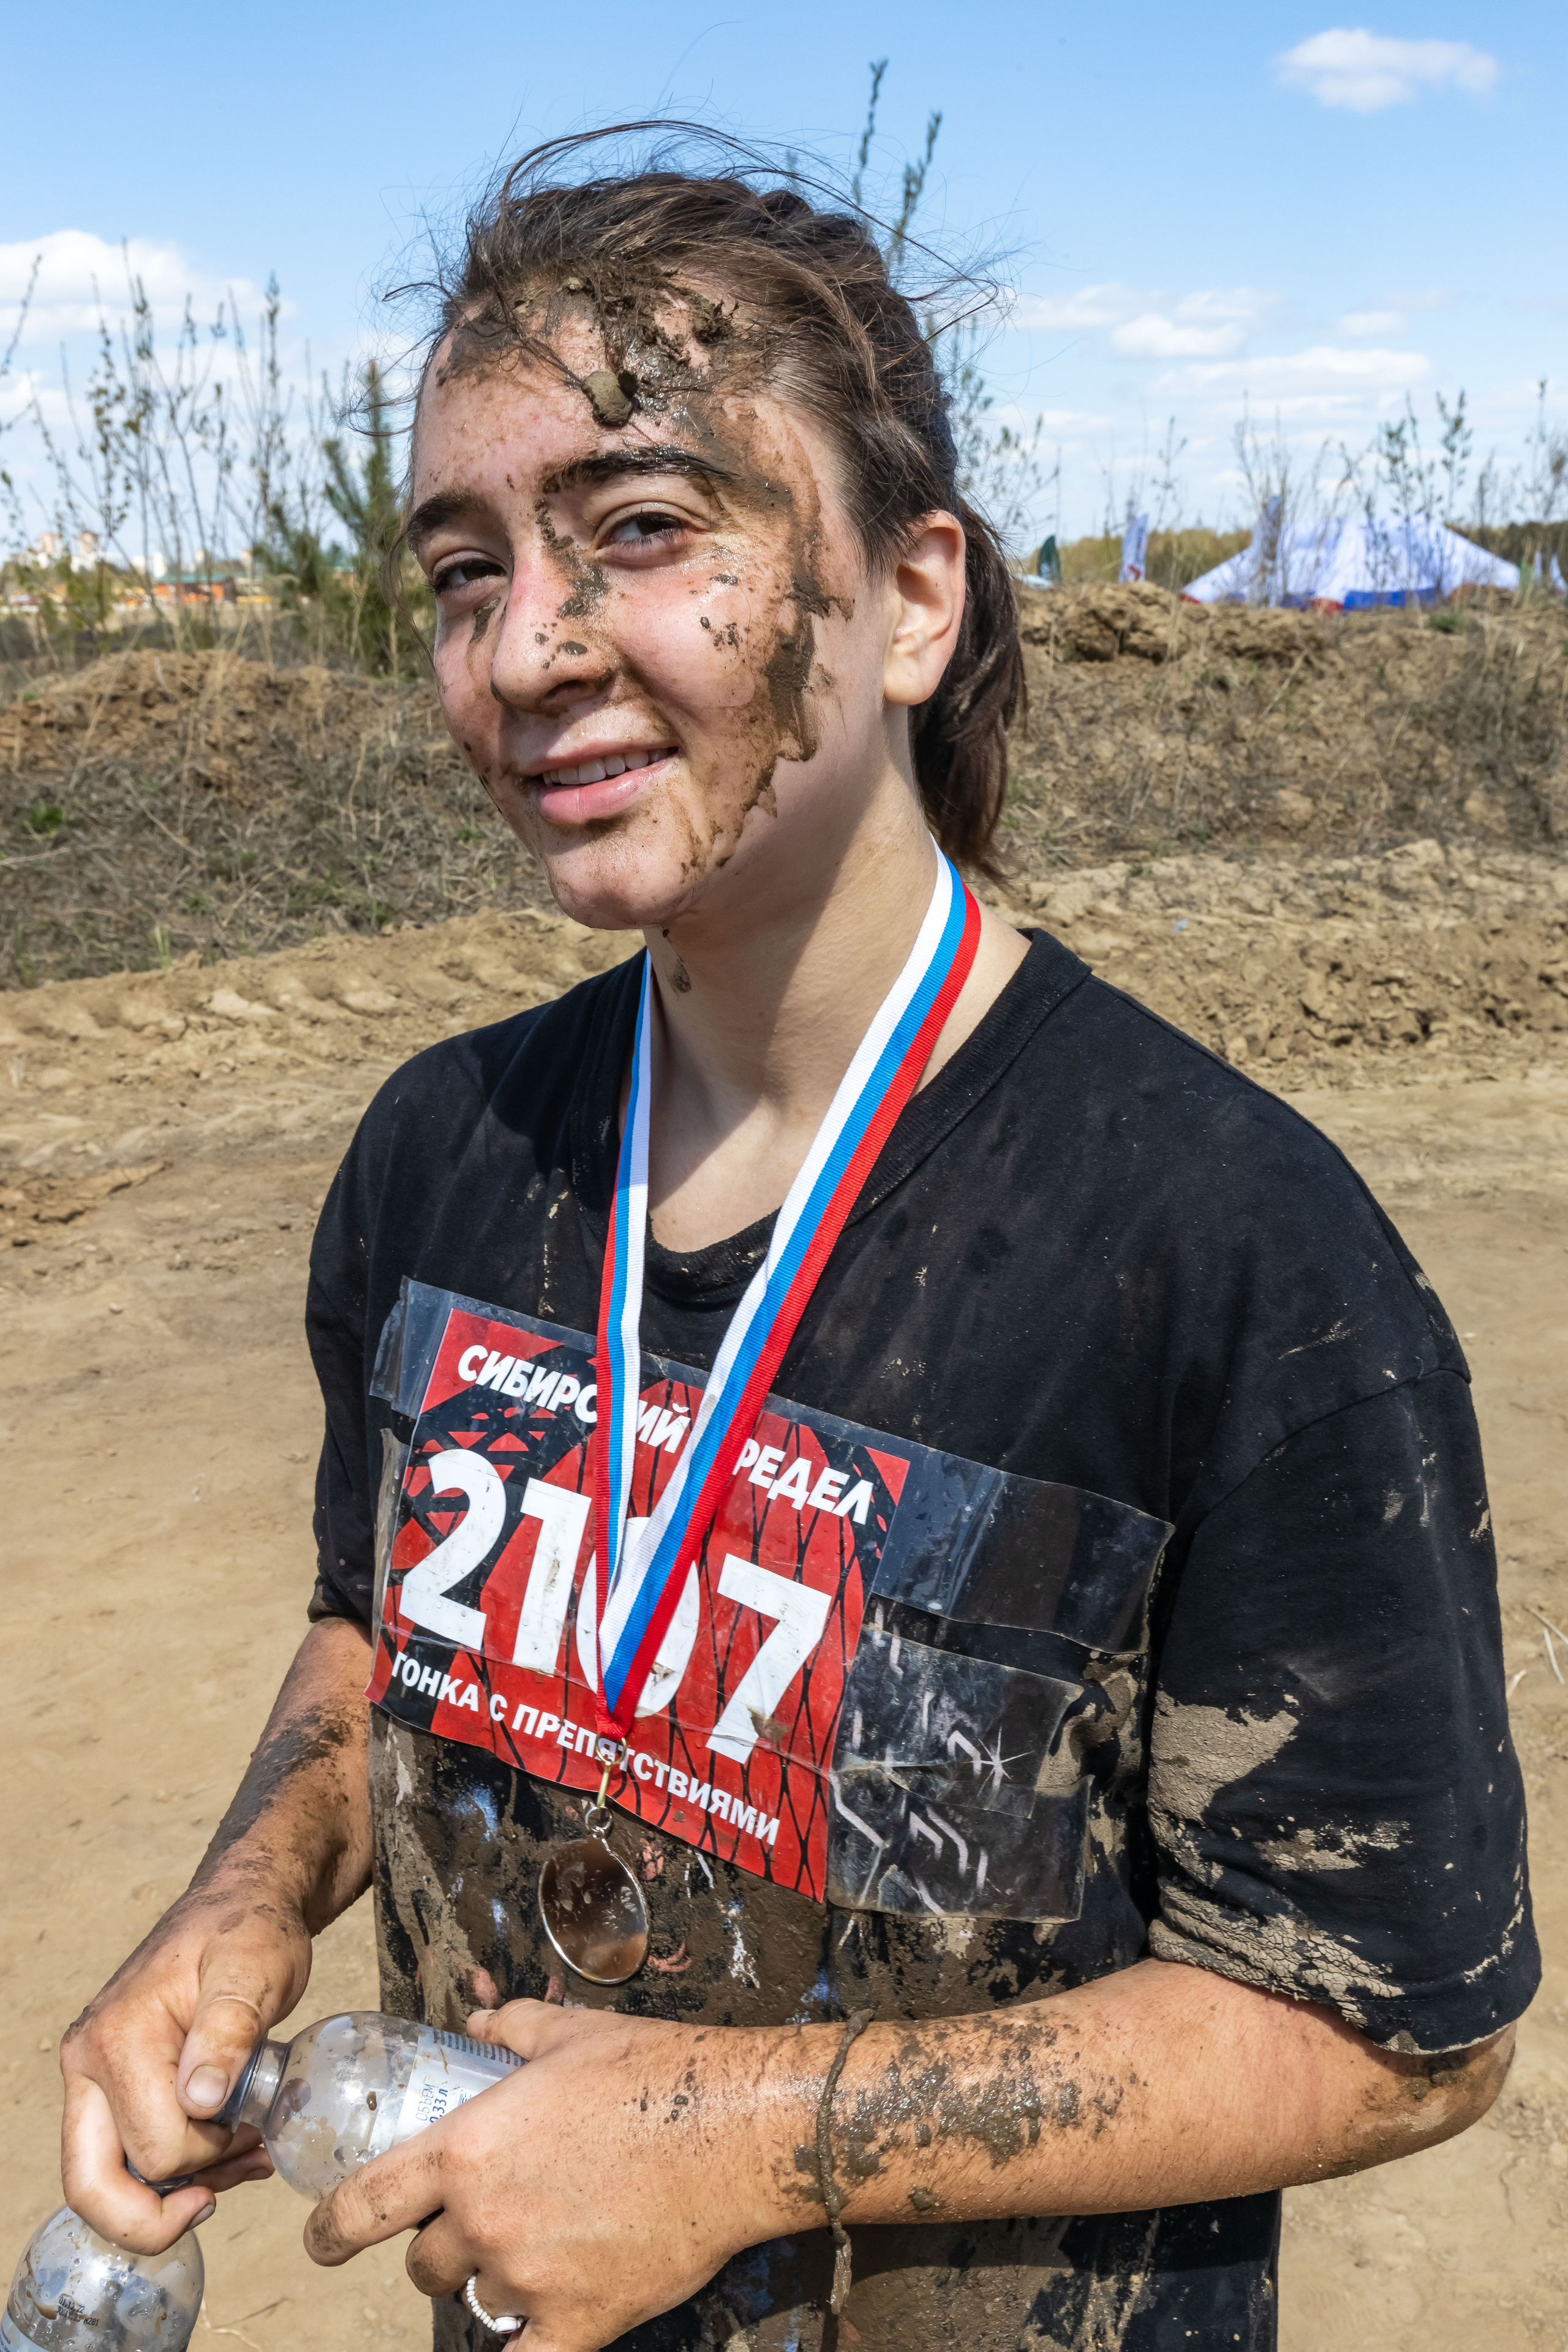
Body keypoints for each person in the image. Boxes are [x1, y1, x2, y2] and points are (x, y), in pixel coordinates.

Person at [59, 139, 1536, 2352]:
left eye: (641, 531)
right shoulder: (443, 1156)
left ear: (914, 598)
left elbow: (1404, 2031)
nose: (527, 650)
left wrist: (740, 2141)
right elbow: (382, 1629)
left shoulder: (1229, 1256)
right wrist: (243, 1903)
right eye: (463, 571)